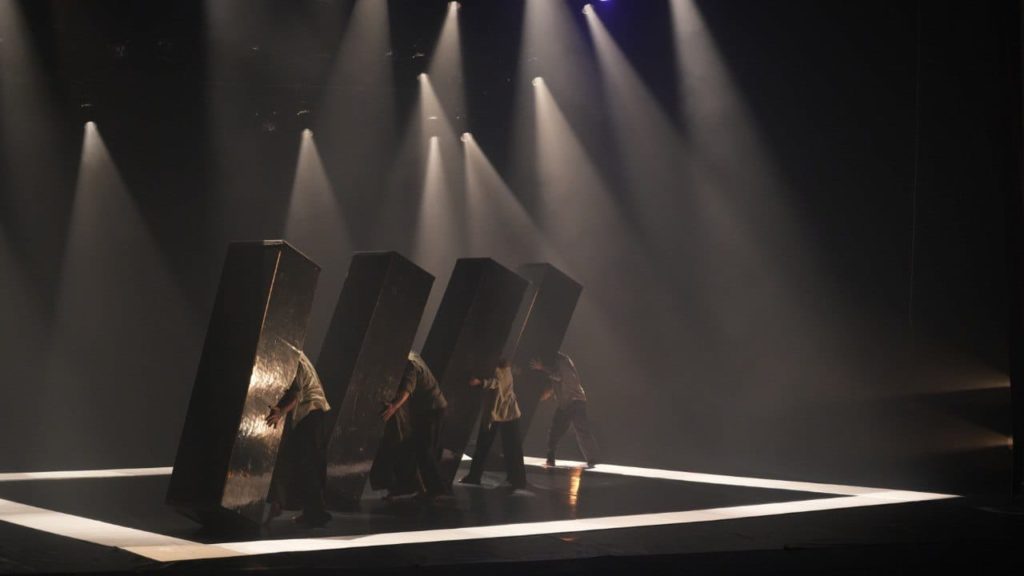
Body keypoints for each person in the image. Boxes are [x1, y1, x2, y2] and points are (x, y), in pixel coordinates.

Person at [265, 349, 332, 527]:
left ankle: (313, 513)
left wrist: (280, 412)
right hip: (312, 416)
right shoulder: (298, 358)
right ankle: (310, 512)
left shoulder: (295, 360)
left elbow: (296, 395)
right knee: (304, 465)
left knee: (306, 466)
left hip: (311, 415)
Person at [379, 352, 449, 501]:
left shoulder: (410, 364)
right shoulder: (414, 356)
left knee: (424, 450)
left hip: (432, 409)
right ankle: (415, 486)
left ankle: (436, 489)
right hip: (429, 409)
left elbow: (407, 389)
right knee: (418, 449)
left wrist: (393, 408)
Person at [460, 359, 527, 489]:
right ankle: (516, 479)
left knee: (486, 445)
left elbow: (497, 383)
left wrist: (481, 382)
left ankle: (475, 476)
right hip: (507, 412)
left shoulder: (501, 370)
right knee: (511, 447)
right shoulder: (506, 368)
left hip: (500, 412)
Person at [530, 351, 599, 468]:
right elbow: (555, 383)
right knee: (578, 431)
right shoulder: (561, 363)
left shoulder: (562, 362)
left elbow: (559, 376)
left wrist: (542, 368)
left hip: (571, 402)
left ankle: (552, 458)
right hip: (574, 401)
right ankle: (592, 459)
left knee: (558, 430)